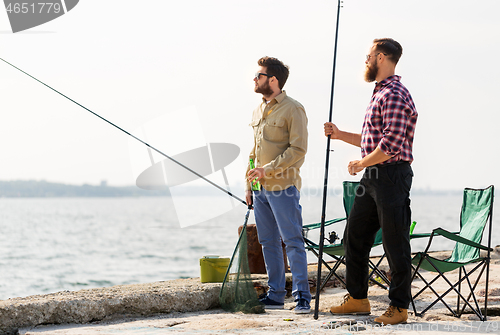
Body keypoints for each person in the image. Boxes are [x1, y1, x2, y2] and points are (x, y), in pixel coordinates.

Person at [326, 38, 418, 325]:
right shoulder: (379, 92)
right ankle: (357, 299)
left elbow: (390, 145)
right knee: (354, 236)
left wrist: (361, 163)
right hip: (374, 176)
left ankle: (399, 307)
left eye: (368, 56)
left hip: (391, 177)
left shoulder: (394, 94)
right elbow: (372, 142)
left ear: (381, 57)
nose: (365, 60)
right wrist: (341, 135)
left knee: (395, 244)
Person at [246, 56, 311, 314]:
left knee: (293, 241)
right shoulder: (258, 110)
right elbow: (254, 150)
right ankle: (275, 296)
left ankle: (302, 298)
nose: (254, 79)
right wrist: (249, 184)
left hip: (283, 187)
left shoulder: (294, 109)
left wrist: (268, 169)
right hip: (260, 189)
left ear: (273, 80)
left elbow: (298, 150)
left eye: (259, 75)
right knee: (267, 242)